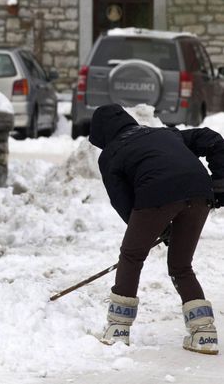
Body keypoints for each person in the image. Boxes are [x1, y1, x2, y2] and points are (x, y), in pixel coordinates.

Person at [88, 104, 221, 354]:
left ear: (103, 134)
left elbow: (124, 203)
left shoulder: (111, 154)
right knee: (181, 266)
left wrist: (155, 228)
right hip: (201, 192)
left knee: (131, 256)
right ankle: (204, 334)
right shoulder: (165, 133)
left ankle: (118, 329)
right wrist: (221, 181)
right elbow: (211, 139)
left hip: (157, 193)